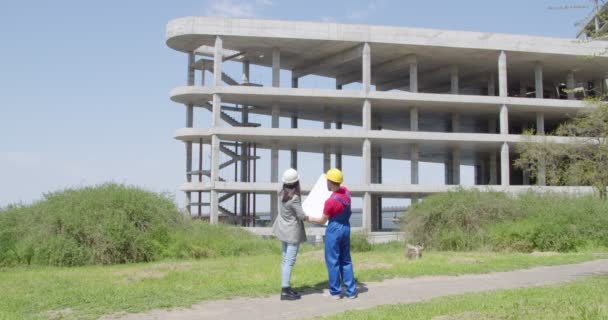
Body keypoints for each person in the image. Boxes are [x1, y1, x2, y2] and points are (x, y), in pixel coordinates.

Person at [306, 168, 357, 299]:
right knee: (346, 260)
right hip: (346, 227)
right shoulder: (346, 192)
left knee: (333, 261)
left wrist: (309, 218)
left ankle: (335, 292)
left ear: (330, 182)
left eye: (327, 181)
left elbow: (323, 220)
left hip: (334, 230)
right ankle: (351, 291)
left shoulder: (330, 202)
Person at [272, 168, 307, 301]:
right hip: (292, 232)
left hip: (283, 229)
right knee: (289, 261)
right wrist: (310, 215)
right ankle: (285, 290)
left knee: (285, 259)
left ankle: (285, 287)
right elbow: (301, 216)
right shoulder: (295, 198)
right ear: (296, 182)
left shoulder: (281, 193)